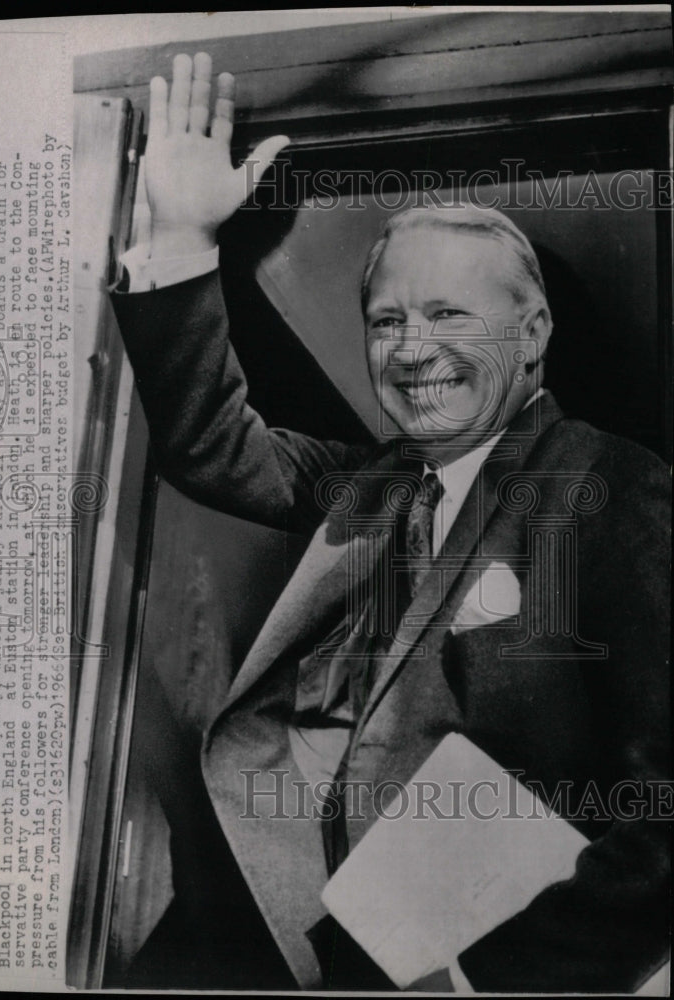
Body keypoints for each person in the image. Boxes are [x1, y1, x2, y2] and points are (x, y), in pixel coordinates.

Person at [110, 52, 670, 992]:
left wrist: (499, 978)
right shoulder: (369, 481)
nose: (413, 351)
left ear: (529, 336)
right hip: (303, 924)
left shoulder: (612, 484)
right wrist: (179, 235)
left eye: (448, 314)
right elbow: (209, 444)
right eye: (385, 321)